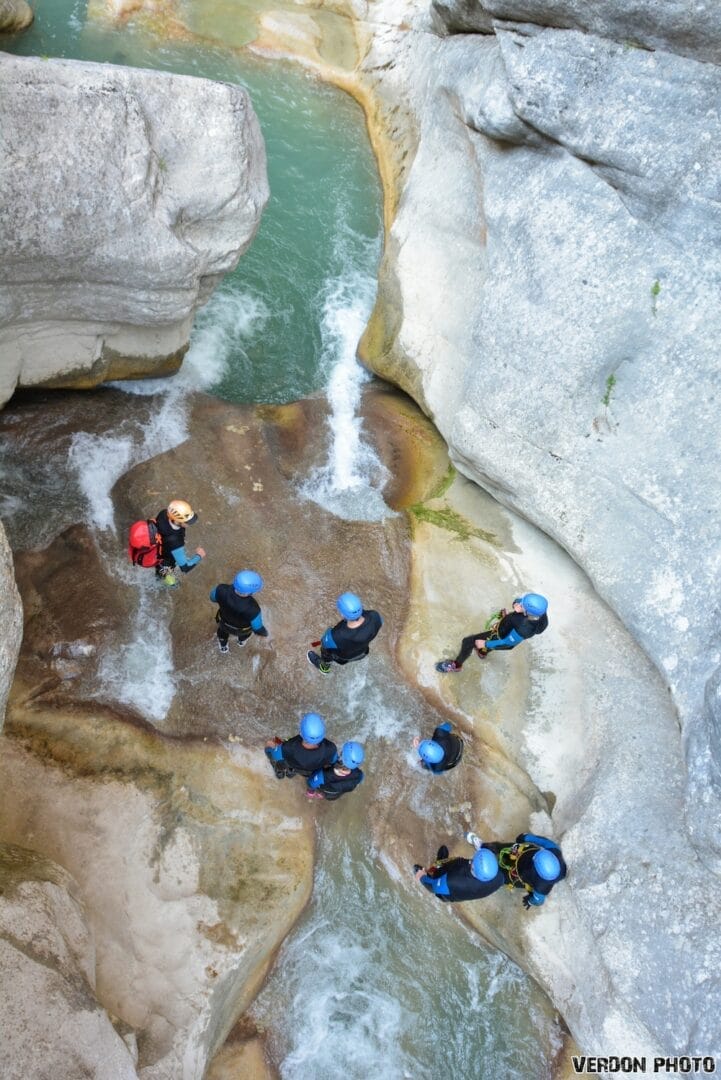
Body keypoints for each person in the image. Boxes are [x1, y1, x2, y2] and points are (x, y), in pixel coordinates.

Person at [435, 593, 548, 673]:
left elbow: (506, 643)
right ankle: (483, 652)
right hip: (506, 629)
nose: (519, 604)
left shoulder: (524, 629)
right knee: (486, 644)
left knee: (468, 642)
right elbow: (519, 607)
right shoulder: (541, 614)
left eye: (522, 605)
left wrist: (485, 644)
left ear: (527, 612)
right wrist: (512, 612)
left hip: (501, 637)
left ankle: (456, 665)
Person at [466, 830, 566, 908]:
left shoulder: (542, 886)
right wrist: (527, 837)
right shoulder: (554, 852)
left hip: (518, 874)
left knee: (499, 877)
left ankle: (478, 871)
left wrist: (531, 901)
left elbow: (539, 900)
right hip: (522, 853)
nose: (535, 856)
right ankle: (482, 846)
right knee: (499, 848)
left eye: (535, 858)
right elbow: (543, 841)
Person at [307, 592, 383, 675]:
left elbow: (324, 642)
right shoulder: (375, 616)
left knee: (326, 650)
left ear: (342, 614)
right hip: (363, 652)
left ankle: (324, 667)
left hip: (343, 658)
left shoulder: (337, 635)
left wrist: (323, 640)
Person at [414, 842, 505, 903]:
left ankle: (437, 870)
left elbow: (432, 887)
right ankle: (442, 864)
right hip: (470, 885)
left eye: (474, 858)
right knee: (457, 861)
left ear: (473, 866)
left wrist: (422, 877)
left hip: (449, 891)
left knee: (440, 876)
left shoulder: (454, 881)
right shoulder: (498, 877)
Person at [209, 570, 268, 655]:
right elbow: (257, 628)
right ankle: (241, 642)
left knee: (222, 633)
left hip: (223, 623)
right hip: (241, 630)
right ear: (250, 592)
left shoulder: (221, 589)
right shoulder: (253, 608)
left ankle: (223, 647)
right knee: (245, 635)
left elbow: (212, 598)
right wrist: (265, 633)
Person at [264, 713, 338, 780]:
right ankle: (291, 773)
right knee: (297, 767)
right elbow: (333, 761)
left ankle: (280, 772)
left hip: (292, 763)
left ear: (301, 733)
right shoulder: (331, 748)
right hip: (309, 772)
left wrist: (269, 748)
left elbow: (276, 756)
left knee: (270, 744)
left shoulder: (289, 747)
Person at [154, 499, 205, 586]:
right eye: (187, 521)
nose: (190, 523)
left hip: (158, 551)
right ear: (177, 521)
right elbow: (185, 568)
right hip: (165, 565)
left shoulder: (164, 513)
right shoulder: (175, 541)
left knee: (159, 572)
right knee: (174, 585)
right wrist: (199, 556)